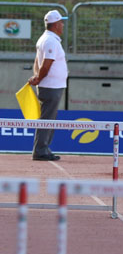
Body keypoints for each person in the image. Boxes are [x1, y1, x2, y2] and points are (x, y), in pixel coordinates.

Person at [28, 10, 69, 161]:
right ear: (56, 24)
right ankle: (41, 150)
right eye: (61, 22)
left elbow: (38, 62)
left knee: (48, 117)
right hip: (51, 86)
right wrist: (38, 77)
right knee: (47, 118)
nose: (63, 25)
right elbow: (46, 64)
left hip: (51, 85)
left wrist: (37, 77)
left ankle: (43, 148)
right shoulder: (50, 41)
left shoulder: (46, 39)